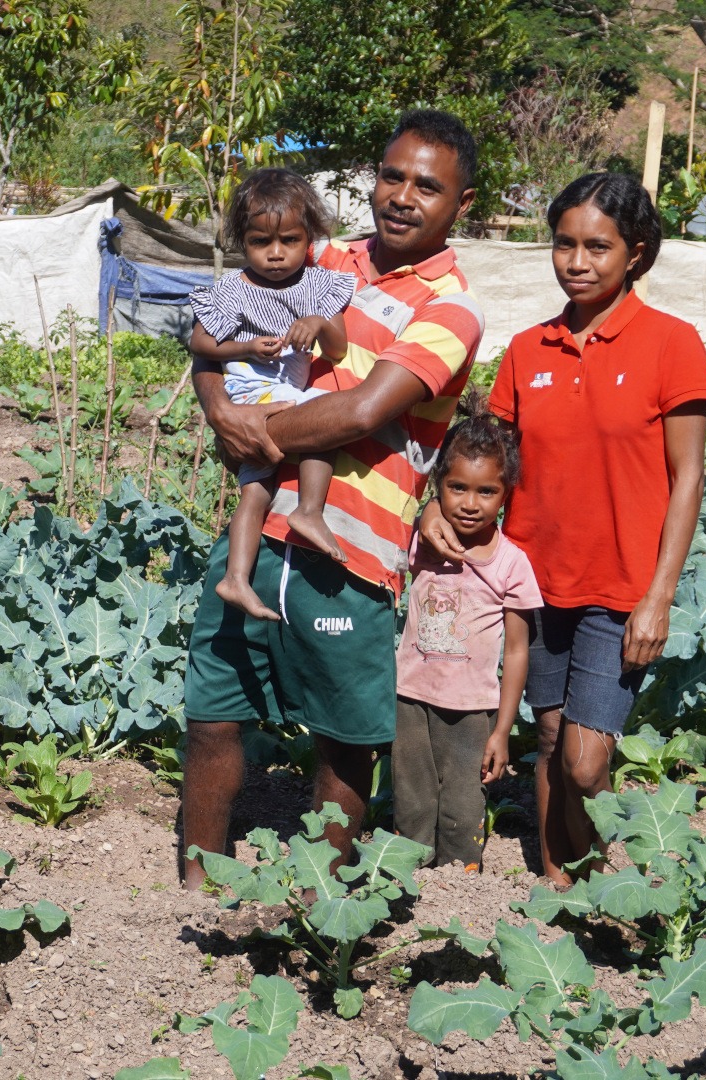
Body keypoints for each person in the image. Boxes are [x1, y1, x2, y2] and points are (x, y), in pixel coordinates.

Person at [180, 110, 485, 889]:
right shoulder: (319, 256)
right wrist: (217, 404)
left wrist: (258, 429)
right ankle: (195, 883)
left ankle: (322, 898)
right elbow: (218, 324)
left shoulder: (451, 308)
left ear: (462, 204)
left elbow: (360, 413)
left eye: (428, 185)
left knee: (343, 738)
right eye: (392, 176)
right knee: (215, 712)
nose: (404, 197)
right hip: (259, 528)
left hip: (351, 549)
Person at [424, 171, 706, 886]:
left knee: (585, 761)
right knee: (548, 734)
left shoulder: (672, 344)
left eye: (597, 248)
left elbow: (688, 479)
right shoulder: (529, 350)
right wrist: (432, 503)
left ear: (636, 253)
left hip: (620, 586)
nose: (576, 262)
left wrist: (659, 597)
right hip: (534, 580)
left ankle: (611, 875)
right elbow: (488, 457)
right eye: (564, 244)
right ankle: (559, 885)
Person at [187, 168, 355, 620]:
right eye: (261, 243)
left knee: (255, 491)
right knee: (326, 420)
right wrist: (243, 345)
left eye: (290, 242)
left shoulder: (318, 286)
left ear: (311, 239)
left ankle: (235, 578)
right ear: (243, 240)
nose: (276, 255)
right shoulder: (234, 291)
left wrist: (318, 324)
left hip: (281, 392)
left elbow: (338, 349)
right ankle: (308, 511)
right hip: (252, 389)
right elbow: (199, 344)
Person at [392, 415, 540, 870]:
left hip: (473, 708)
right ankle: (408, 868)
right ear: (438, 485)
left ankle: (460, 876)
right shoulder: (421, 541)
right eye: (457, 487)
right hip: (408, 696)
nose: (470, 503)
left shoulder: (511, 564)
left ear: (506, 493)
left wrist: (502, 729)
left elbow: (516, 651)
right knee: (411, 793)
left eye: (486, 491)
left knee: (462, 801)